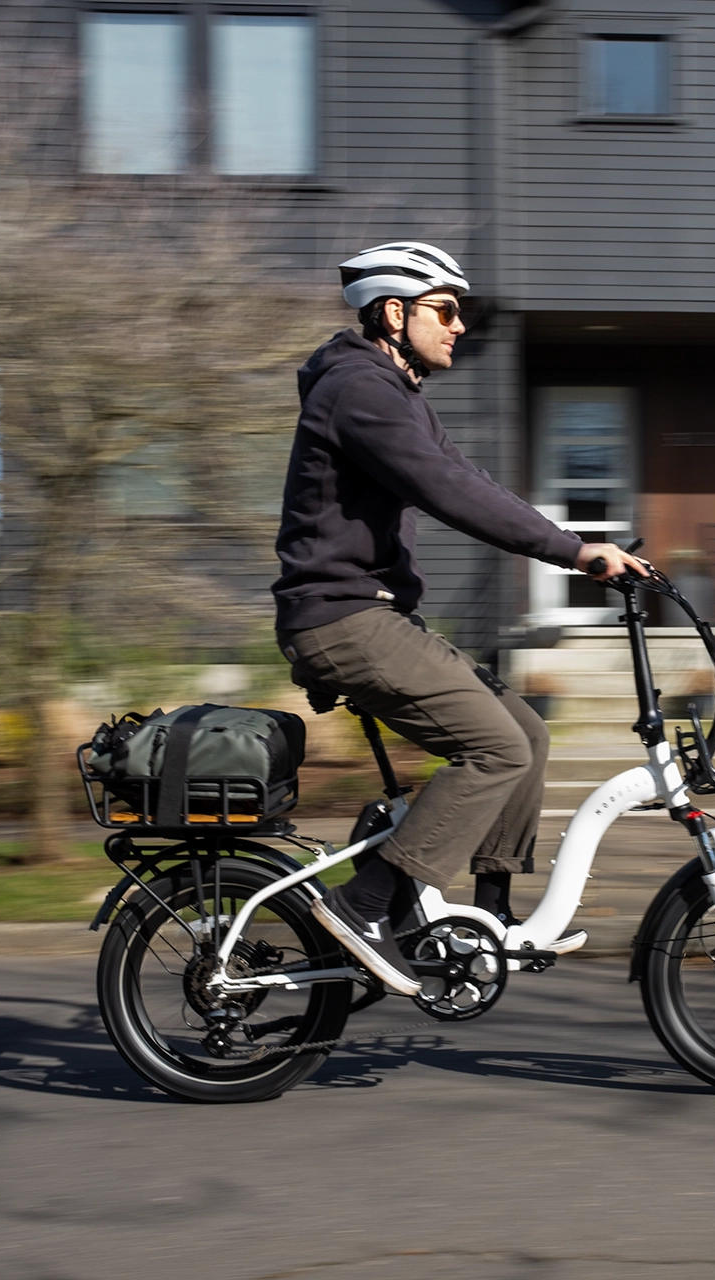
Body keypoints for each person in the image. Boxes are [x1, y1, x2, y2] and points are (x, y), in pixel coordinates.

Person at [272, 241, 646, 986]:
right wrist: (572, 552)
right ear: (393, 313)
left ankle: (489, 917)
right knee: (495, 749)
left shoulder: (392, 392)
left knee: (527, 734)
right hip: (341, 618)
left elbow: (469, 480)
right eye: (445, 310)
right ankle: (368, 903)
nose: (460, 326)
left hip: (372, 616)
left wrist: (578, 544)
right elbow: (448, 491)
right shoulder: (358, 389)